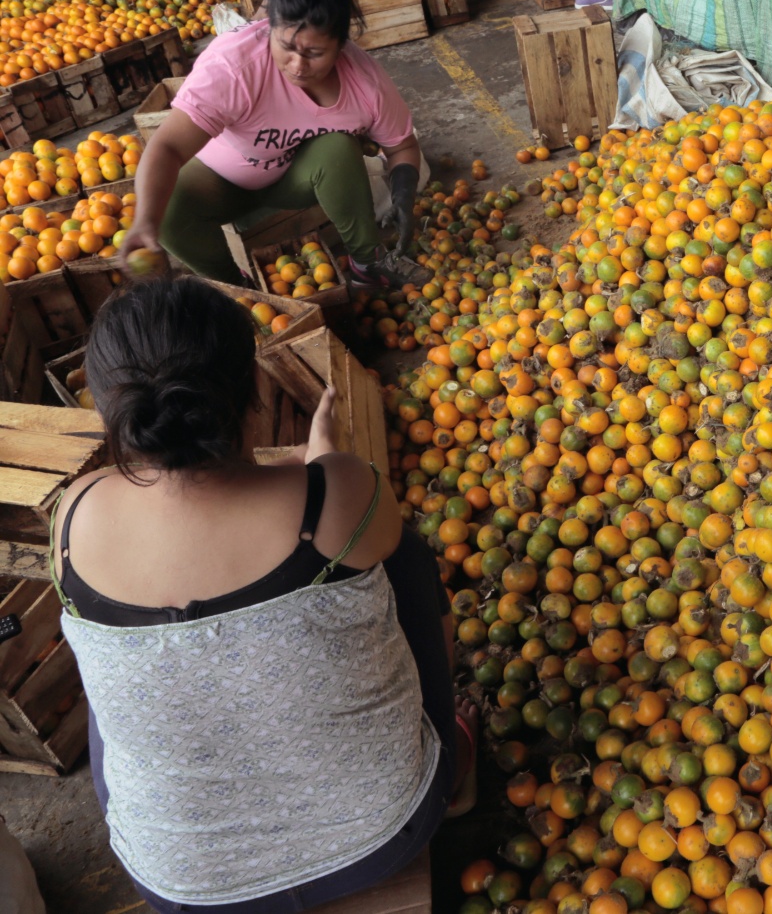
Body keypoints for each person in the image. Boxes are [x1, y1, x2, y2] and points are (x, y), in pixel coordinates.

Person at [50, 278, 475, 913]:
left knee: (118, 668)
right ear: (252, 390)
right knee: (405, 558)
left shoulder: (72, 518)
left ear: (111, 412)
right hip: (385, 831)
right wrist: (324, 465)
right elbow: (340, 512)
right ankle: (455, 753)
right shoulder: (337, 497)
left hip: (181, 884)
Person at [126, 0, 430, 289]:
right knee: (165, 206)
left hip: (295, 179)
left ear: (341, 45)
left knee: (338, 148)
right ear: (268, 27)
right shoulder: (234, 66)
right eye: (286, 47)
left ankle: (366, 263)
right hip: (220, 178)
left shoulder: (364, 83)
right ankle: (241, 290)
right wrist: (145, 222)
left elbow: (402, 146)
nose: (298, 65)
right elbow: (167, 148)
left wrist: (404, 197)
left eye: (315, 53)